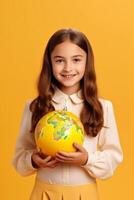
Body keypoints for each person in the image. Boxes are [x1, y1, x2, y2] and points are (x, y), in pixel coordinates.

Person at [12, 28, 123, 200]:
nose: (68, 68)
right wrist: (33, 160)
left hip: (84, 195)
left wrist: (87, 159)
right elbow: (19, 159)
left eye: (77, 60)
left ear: (87, 62)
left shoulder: (103, 107)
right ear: (50, 62)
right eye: (59, 60)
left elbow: (113, 159)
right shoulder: (35, 106)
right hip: (44, 194)